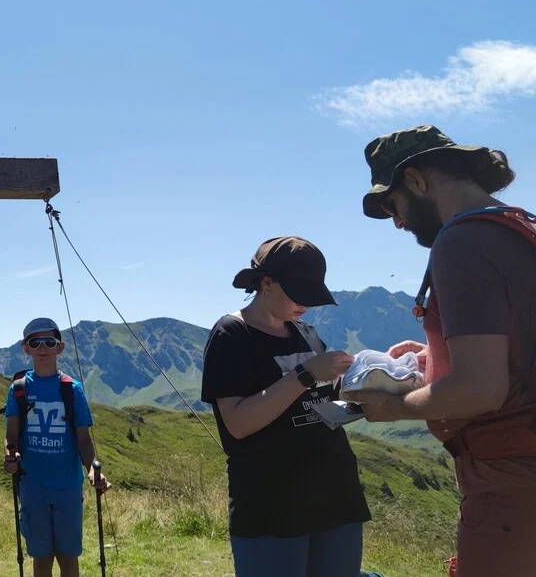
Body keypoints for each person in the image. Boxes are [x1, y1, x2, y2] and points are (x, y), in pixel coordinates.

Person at [344, 125, 536, 577]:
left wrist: (392, 406)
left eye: (392, 205)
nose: (397, 221)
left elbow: (480, 389)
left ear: (416, 180)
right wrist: (436, 358)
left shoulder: (462, 241)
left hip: (511, 483)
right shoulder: (521, 228)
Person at [200, 236, 371, 577]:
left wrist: (367, 385)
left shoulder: (307, 333)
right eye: (298, 293)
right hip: (272, 506)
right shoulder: (232, 335)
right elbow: (237, 423)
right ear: (266, 283)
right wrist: (305, 374)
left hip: (336, 498)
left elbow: (319, 404)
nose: (305, 305)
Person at [2, 317, 110, 577]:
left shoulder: (73, 389)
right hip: (32, 485)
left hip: (68, 487)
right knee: (41, 558)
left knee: (68, 557)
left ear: (59, 348)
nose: (43, 347)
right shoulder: (18, 389)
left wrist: (92, 470)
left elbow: (83, 438)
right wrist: (10, 455)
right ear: (26, 348)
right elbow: (11, 436)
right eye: (35, 342)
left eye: (49, 342)